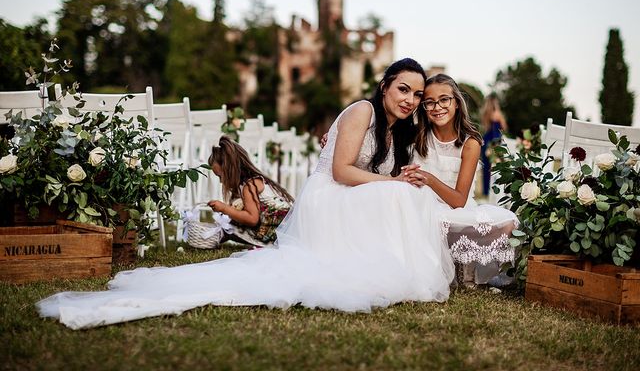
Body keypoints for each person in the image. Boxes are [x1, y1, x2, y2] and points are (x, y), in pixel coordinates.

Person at [36, 58, 454, 329]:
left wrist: (405, 177)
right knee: (398, 194)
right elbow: (343, 172)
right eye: (404, 89)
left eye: (417, 95)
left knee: (406, 193)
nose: (411, 100)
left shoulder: (394, 129)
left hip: (348, 193)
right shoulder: (363, 110)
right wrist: (393, 184)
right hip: (328, 195)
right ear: (384, 87)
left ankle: (389, 267)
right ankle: (386, 268)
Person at [403, 74, 518, 285]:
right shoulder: (417, 134)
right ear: (423, 107)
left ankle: (463, 259)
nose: (437, 107)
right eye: (429, 102)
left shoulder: (470, 143)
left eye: (444, 99)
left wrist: (429, 179)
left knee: (508, 223)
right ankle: (449, 261)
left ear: (456, 102)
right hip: (419, 206)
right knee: (420, 219)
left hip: (455, 209)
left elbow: (458, 200)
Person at [205, 136, 293, 247]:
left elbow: (252, 219)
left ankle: (219, 235)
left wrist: (225, 208)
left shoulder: (250, 185)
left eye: (220, 176)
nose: (221, 181)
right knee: (231, 227)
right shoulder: (246, 184)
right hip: (273, 226)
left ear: (230, 170)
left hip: (281, 230)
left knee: (231, 229)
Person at [479, 94, 507, 197]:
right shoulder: (497, 114)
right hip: (495, 142)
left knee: (486, 168)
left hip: (486, 141)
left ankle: (486, 191)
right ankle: (495, 190)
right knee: (496, 166)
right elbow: (504, 127)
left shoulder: (485, 114)